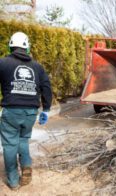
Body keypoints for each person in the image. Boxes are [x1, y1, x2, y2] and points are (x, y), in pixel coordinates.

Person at [0, 32, 52, 190]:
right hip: (30, 112)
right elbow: (47, 88)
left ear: (11, 46)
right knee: (23, 140)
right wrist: (47, 109)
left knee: (10, 144)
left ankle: (14, 181)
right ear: (27, 47)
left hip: (11, 111)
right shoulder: (37, 66)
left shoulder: (3, 63)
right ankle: (26, 164)